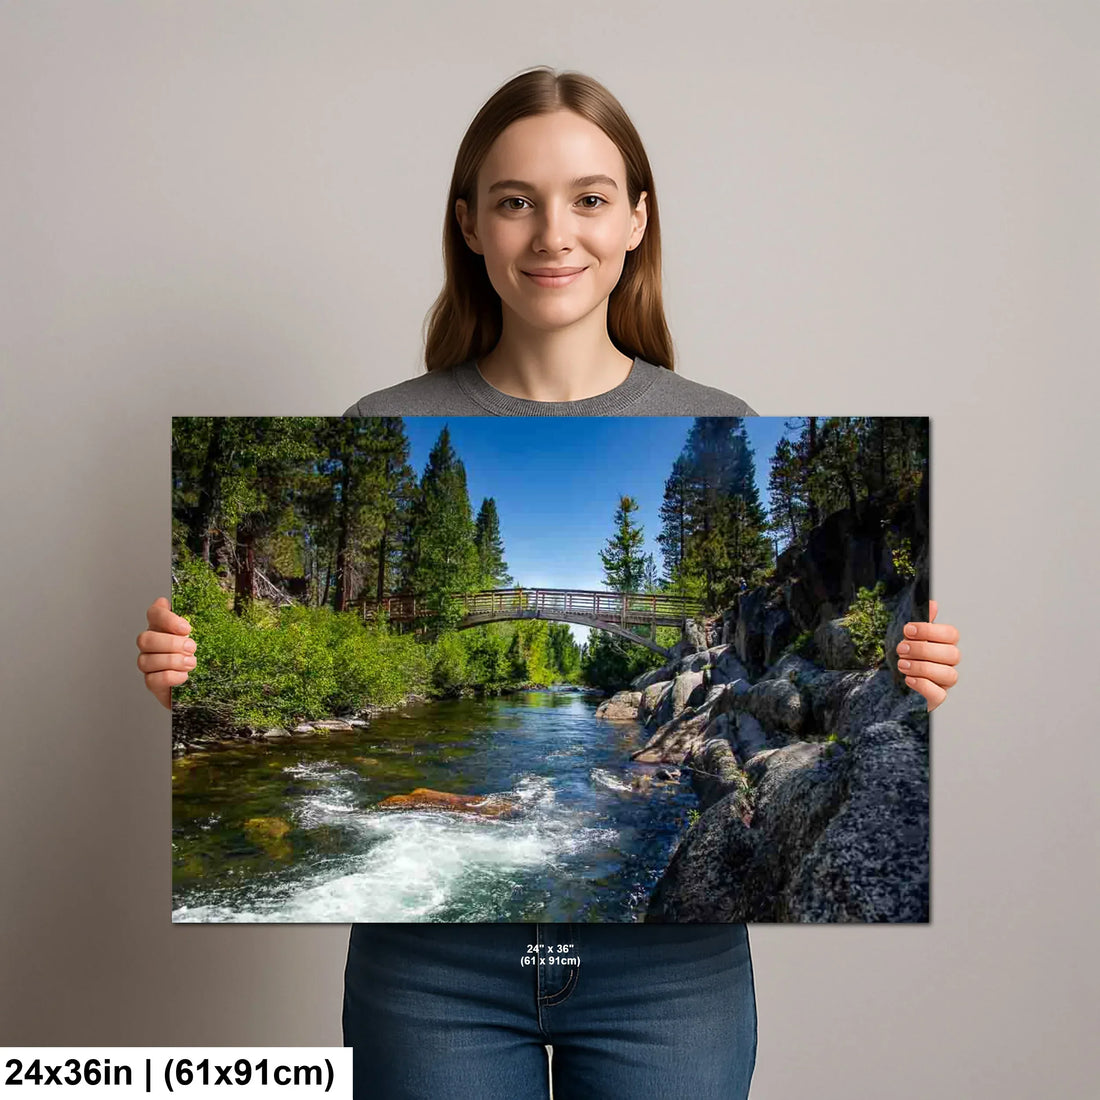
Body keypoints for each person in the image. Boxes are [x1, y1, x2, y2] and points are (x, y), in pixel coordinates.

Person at [138, 67, 961, 1100]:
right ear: (469, 224)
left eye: (589, 198)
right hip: (428, 978)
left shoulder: (719, 411)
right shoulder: (383, 414)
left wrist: (915, 670)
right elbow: (202, 667)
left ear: (636, 219)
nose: (553, 234)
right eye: (516, 200)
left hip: (673, 981)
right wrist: (185, 672)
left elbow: (870, 671)